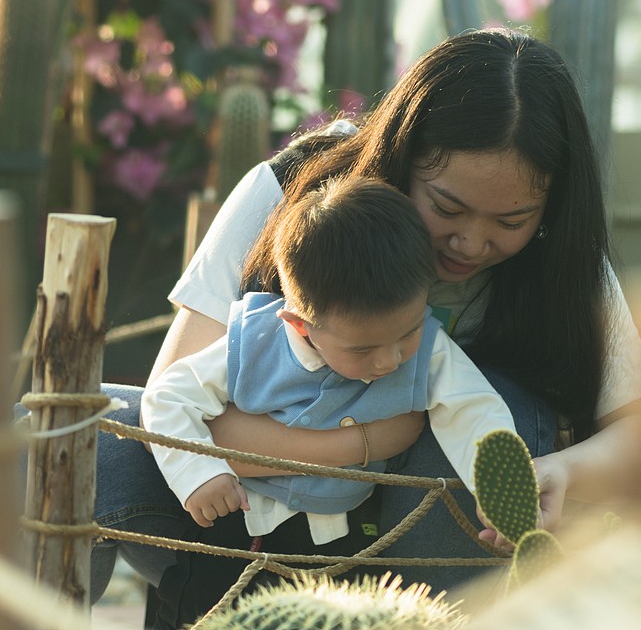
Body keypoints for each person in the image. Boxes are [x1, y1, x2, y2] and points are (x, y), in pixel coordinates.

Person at [88, 27, 641, 617]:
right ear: (402, 159)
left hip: (440, 561)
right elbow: (171, 419)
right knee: (73, 427)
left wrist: (560, 470)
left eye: (512, 220)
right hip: (251, 524)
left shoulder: (563, 260)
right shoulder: (291, 191)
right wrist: (370, 440)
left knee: (495, 417)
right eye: (447, 206)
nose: (471, 241)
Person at [143, 175, 516, 546]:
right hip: (234, 522)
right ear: (301, 326)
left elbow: (473, 409)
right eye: (361, 349)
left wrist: (500, 491)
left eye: (408, 332)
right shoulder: (254, 343)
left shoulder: (431, 349)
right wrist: (199, 473)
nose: (390, 360)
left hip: (348, 537)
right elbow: (167, 398)